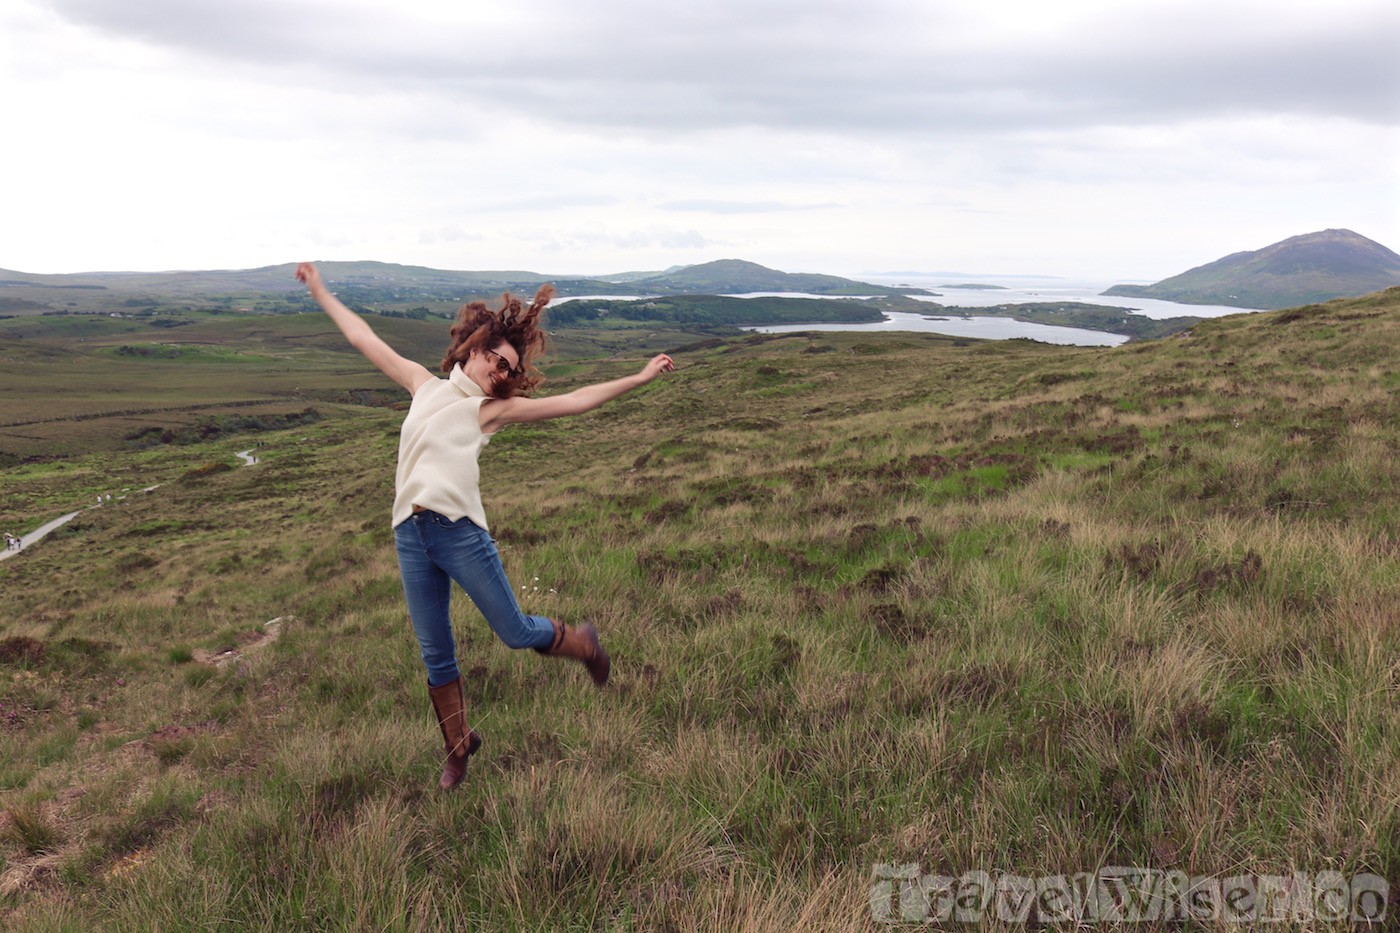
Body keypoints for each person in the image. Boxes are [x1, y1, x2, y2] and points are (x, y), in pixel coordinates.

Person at [295, 262, 674, 790]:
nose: (501, 370)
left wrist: (638, 377)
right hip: (410, 536)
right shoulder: (422, 385)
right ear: (473, 350)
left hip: (460, 534)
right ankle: (458, 747)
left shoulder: (489, 411)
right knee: (435, 651)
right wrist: (319, 289)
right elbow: (364, 338)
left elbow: (573, 403)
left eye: (509, 368)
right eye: (496, 359)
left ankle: (582, 642)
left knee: (514, 632)